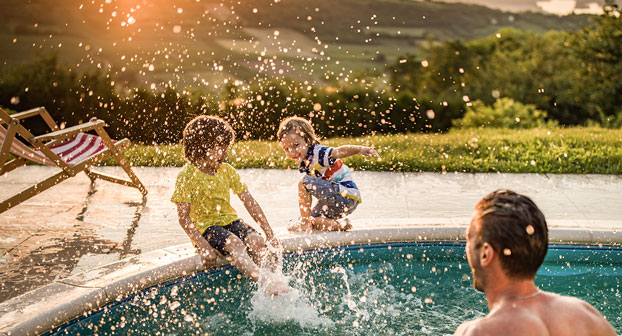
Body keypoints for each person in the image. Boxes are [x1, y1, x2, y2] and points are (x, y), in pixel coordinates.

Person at [455, 189, 616, 336]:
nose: (466, 248)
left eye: (469, 239)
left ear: (486, 254)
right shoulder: (584, 316)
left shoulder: (478, 332)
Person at [171, 115, 288, 294]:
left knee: (257, 242)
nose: (225, 155)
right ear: (202, 147)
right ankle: (265, 282)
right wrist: (203, 246)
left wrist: (269, 232)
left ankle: (268, 286)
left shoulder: (227, 171)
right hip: (206, 228)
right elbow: (184, 218)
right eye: (221, 149)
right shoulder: (187, 176)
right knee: (235, 244)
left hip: (230, 222)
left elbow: (250, 202)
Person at [277, 116, 380, 232]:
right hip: (342, 201)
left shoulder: (319, 152)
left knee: (303, 183)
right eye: (286, 148)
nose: (292, 152)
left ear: (308, 140)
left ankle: (304, 223)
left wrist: (359, 149)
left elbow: (338, 151)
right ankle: (340, 225)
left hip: (344, 196)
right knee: (312, 219)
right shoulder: (306, 161)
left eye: (296, 145)